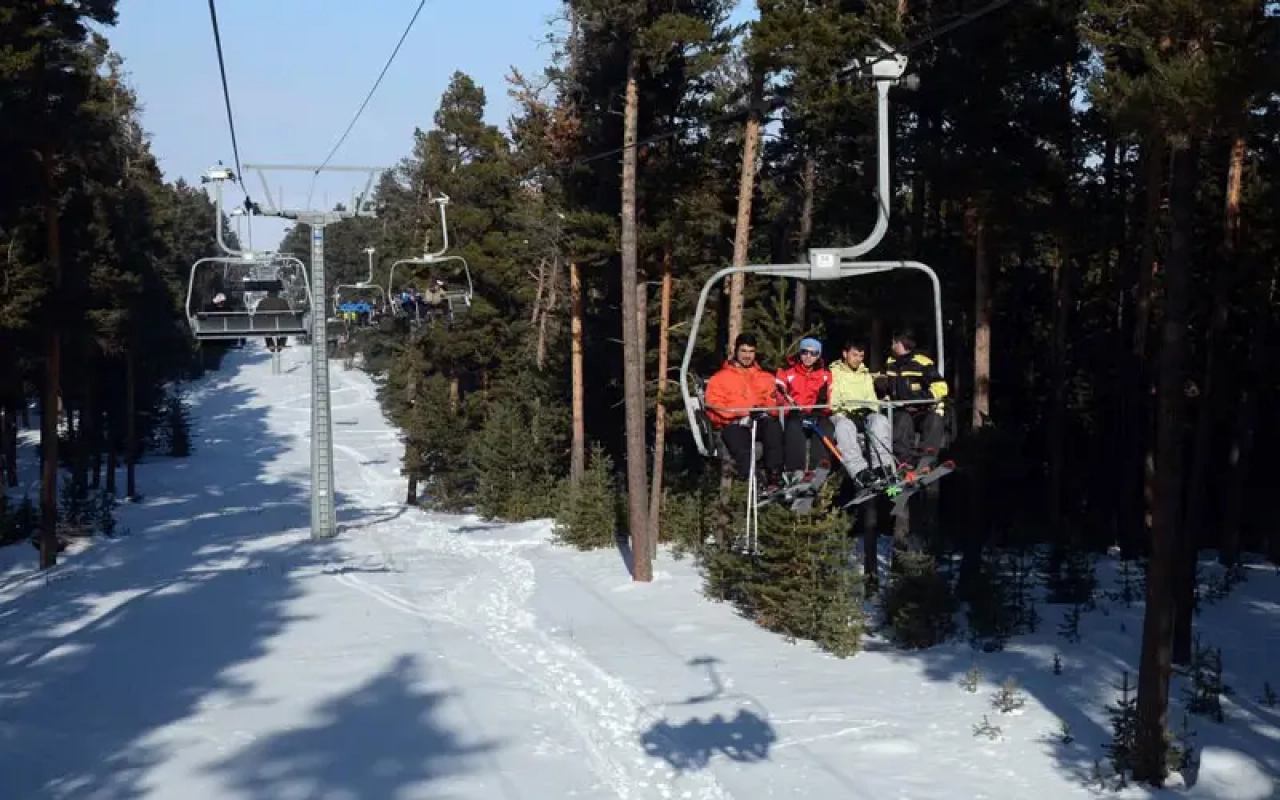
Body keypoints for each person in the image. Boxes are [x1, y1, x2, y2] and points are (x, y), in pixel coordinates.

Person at [704, 333, 784, 496]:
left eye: (751, 352)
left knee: (773, 427)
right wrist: (743, 413)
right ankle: (755, 481)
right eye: (743, 351)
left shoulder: (765, 377)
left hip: (758, 421)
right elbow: (715, 405)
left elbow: (773, 402)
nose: (747, 356)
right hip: (734, 423)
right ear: (735, 351)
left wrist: (765, 411)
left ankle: (774, 475)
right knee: (740, 445)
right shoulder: (719, 379)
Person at [878, 328, 948, 470]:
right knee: (902, 421)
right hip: (900, 409)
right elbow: (883, 383)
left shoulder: (922, 362)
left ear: (900, 344)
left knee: (935, 420)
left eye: (893, 343)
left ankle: (926, 460)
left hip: (921, 409)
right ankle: (906, 462)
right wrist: (879, 385)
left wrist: (922, 398)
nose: (891, 346)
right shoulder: (890, 363)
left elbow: (941, 386)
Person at [829, 339, 895, 488]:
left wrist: (869, 409)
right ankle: (860, 471)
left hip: (863, 413)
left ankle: (882, 467)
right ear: (845, 354)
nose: (858, 359)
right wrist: (845, 409)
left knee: (880, 421)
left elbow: (871, 399)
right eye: (854, 355)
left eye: (861, 356)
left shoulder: (865, 375)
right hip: (843, 414)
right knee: (844, 427)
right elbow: (833, 399)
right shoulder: (834, 373)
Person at [774, 337, 834, 484]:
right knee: (794, 425)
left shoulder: (825, 375)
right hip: (794, 412)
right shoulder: (787, 372)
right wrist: (790, 408)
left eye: (813, 353)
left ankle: (817, 469)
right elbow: (779, 395)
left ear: (818, 356)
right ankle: (795, 470)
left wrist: (820, 411)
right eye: (805, 352)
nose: (808, 357)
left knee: (825, 426)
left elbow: (829, 399)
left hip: (815, 413)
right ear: (799, 353)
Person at [255, 288, 292, 353]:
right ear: (277, 294)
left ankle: (270, 344)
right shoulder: (283, 301)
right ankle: (281, 343)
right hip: (281, 325)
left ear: (268, 294)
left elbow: (257, 314)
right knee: (285, 331)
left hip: (267, 325)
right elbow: (289, 314)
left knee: (266, 332)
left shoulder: (262, 302)